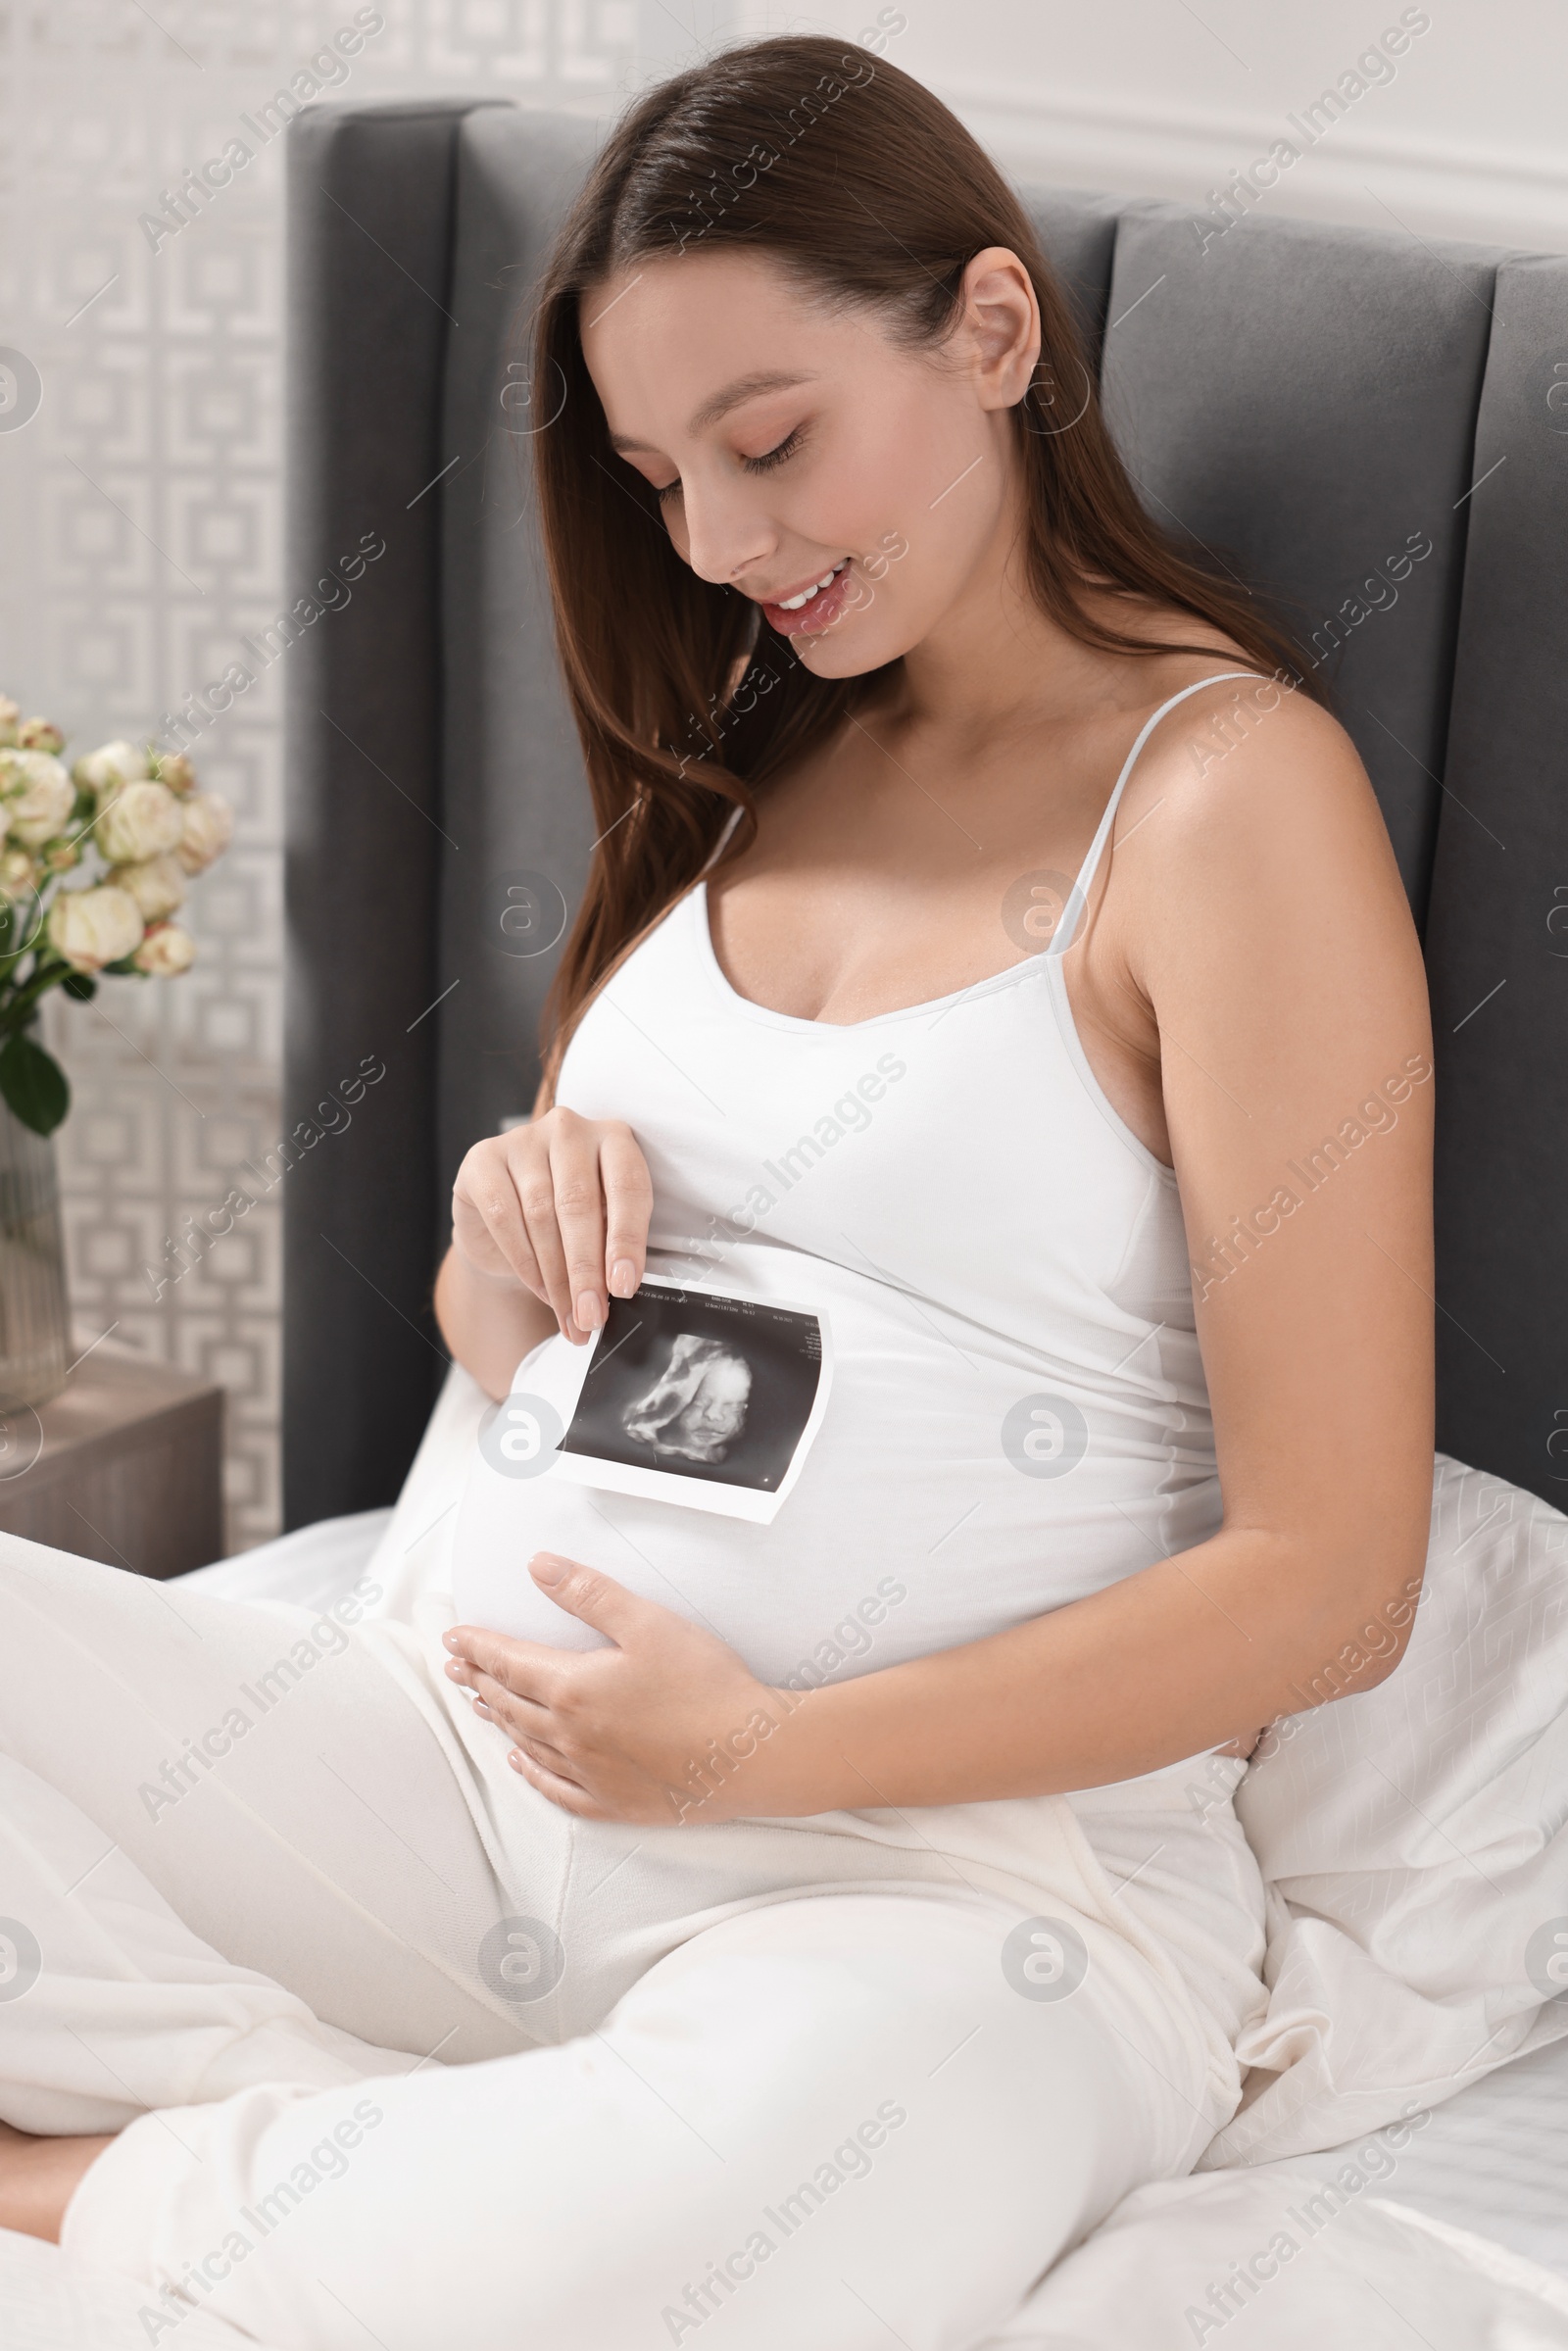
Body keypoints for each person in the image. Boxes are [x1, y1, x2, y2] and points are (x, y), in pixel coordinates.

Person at [0, 34, 1435, 2351]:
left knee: (766, 2221)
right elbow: (558, 1372)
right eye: (662, 474)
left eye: (766, 444)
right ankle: (360, 2130)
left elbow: (1330, 1583)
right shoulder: (744, 750)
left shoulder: (1222, 801)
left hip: (945, 1888)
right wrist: (505, 1237)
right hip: (449, 1772)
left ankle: (97, 2174)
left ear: (988, 330)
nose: (716, 545)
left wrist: (756, 1757)